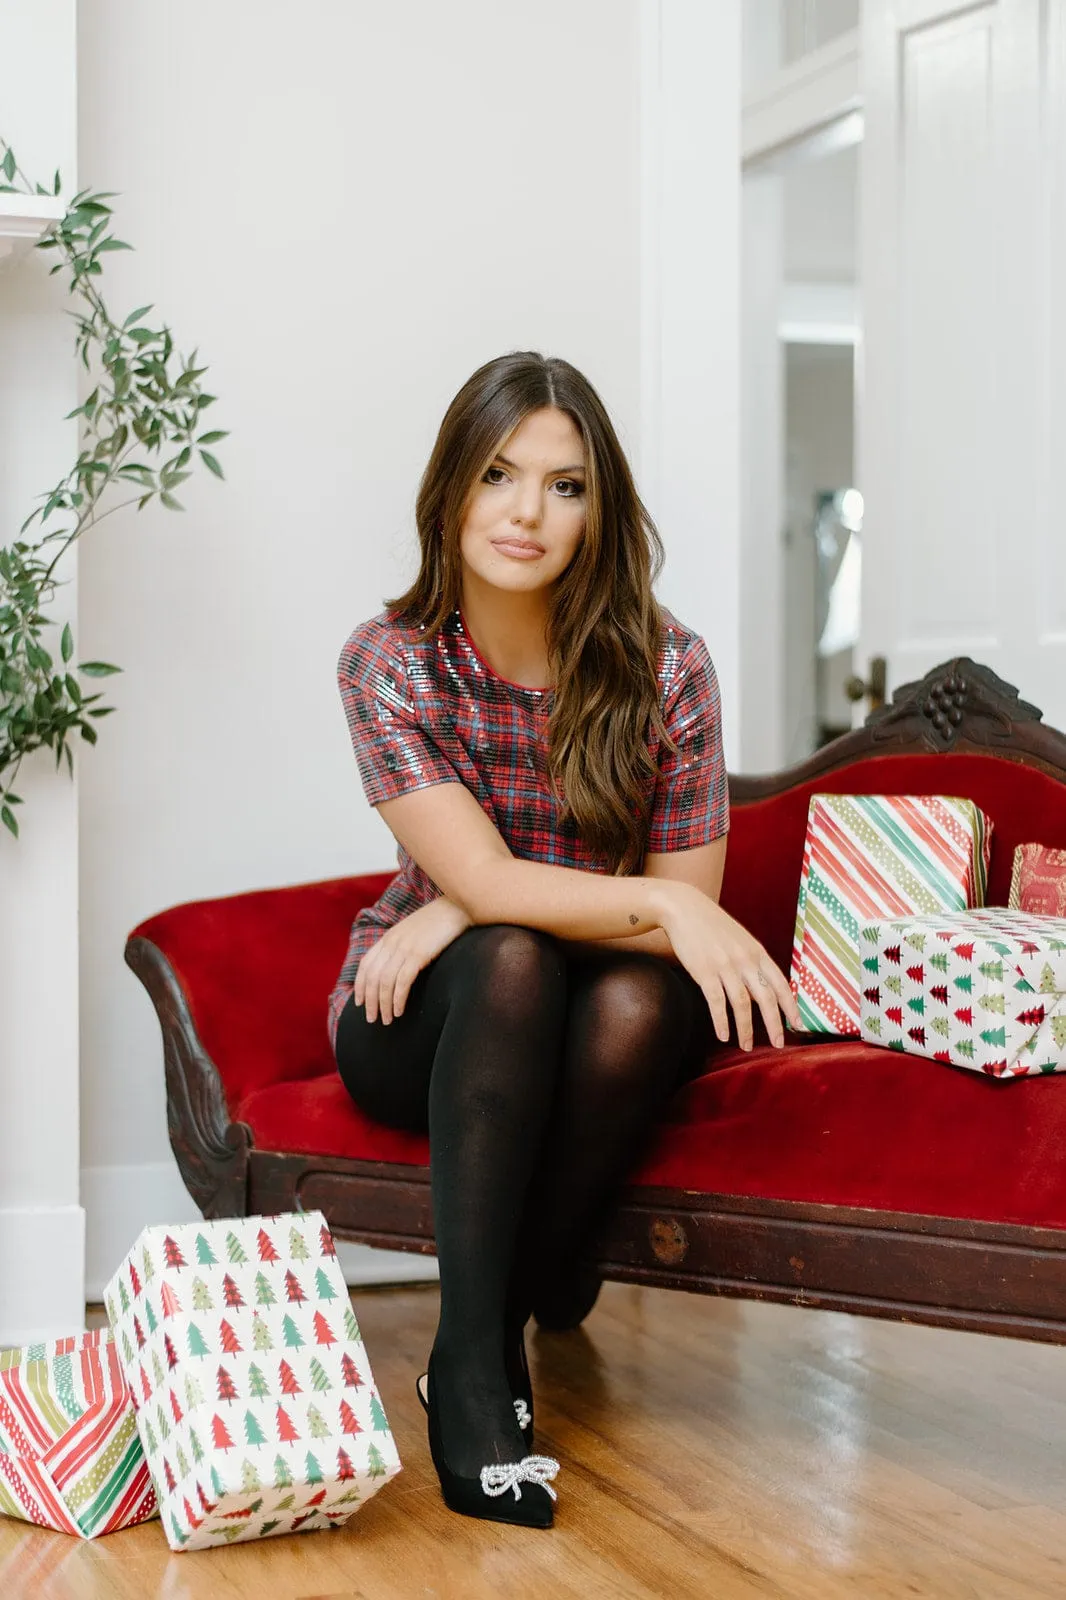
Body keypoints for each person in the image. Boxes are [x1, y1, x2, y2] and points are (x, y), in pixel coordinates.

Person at [329, 351, 801, 1530]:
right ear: (451, 492)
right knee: (507, 959)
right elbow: (624, 898)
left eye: (565, 485)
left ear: (600, 510)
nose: (528, 513)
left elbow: (667, 925)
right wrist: (476, 902)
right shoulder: (388, 663)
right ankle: (483, 1371)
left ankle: (489, 1321)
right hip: (419, 1012)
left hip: (596, 996)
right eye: (498, 475)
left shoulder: (664, 663)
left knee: (636, 995)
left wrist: (489, 895)